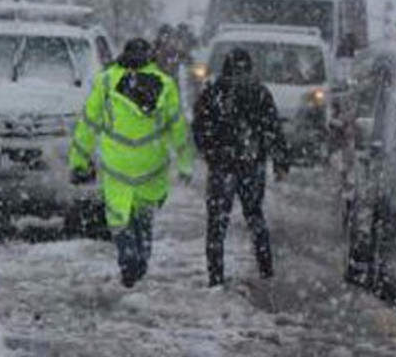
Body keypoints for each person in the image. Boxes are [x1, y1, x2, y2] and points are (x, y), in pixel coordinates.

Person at [69, 38, 194, 288]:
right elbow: (177, 127)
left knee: (119, 215)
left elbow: (88, 125)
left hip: (117, 164)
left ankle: (127, 256)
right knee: (144, 216)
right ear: (149, 58)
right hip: (151, 164)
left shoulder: (105, 82)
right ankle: (142, 258)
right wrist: (185, 163)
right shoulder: (166, 85)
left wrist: (79, 161)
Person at [192, 48, 290, 287]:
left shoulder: (213, 93)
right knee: (255, 216)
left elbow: (199, 128)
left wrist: (210, 152)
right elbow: (273, 129)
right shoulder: (259, 92)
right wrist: (280, 161)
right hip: (251, 164)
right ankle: (266, 269)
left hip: (222, 166)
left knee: (217, 223)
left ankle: (215, 276)